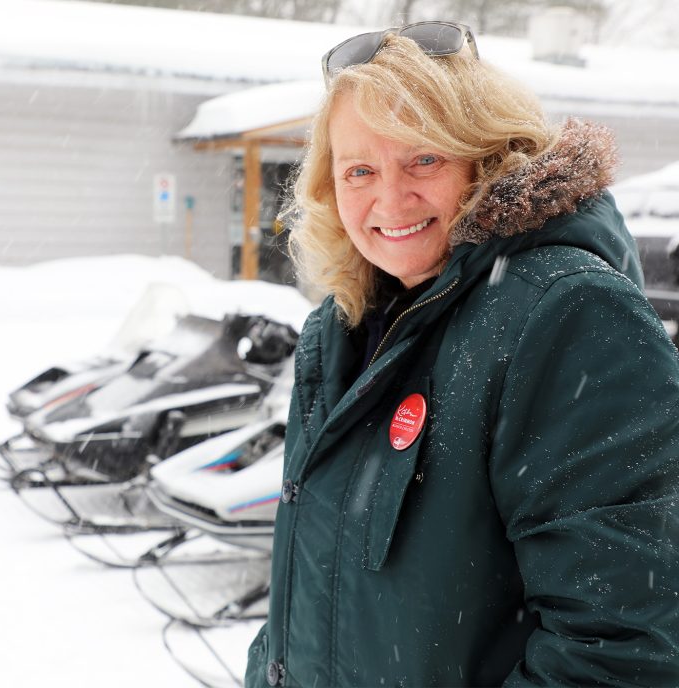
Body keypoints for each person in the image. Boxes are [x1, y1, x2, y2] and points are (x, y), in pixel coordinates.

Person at [246, 21, 679, 687]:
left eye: (423, 158)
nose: (390, 198)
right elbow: (308, 589)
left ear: (488, 156)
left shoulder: (565, 315)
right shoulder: (340, 332)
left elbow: (622, 648)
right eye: (359, 170)